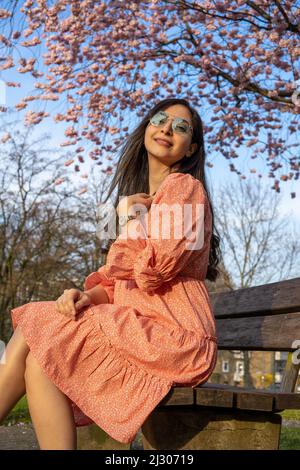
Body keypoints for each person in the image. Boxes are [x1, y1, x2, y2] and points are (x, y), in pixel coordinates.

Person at [0, 97, 221, 449]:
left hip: (177, 338)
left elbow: (155, 270)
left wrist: (130, 217)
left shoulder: (186, 189)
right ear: (146, 128)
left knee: (38, 325)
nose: (166, 128)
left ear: (190, 148)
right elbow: (119, 282)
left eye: (181, 127)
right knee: (43, 357)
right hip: (139, 330)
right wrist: (87, 296)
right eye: (159, 119)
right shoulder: (133, 199)